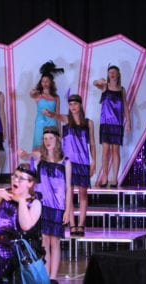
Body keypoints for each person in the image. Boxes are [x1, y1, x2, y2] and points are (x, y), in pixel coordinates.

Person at [20, 126, 71, 282]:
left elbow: (69, 187)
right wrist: (24, 154)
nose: (48, 141)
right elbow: (28, 156)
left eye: (51, 138)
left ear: (57, 140)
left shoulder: (65, 162)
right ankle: (45, 276)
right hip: (42, 205)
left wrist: (67, 210)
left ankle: (53, 276)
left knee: (55, 241)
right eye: (45, 138)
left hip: (58, 206)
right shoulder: (39, 159)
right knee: (44, 240)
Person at [44, 94, 96, 236]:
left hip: (83, 162)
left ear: (80, 105)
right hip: (69, 163)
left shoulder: (88, 123)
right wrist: (51, 113)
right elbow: (58, 116)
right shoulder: (67, 120)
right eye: (70, 104)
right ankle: (72, 225)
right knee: (69, 194)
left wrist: (94, 161)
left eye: (75, 104)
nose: (73, 107)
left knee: (83, 195)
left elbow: (92, 143)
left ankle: (81, 224)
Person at [93, 65, 131, 187]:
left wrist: (128, 121)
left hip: (117, 123)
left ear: (118, 74)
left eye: (114, 72)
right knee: (105, 151)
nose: (112, 74)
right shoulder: (105, 86)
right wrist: (97, 81)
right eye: (110, 72)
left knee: (116, 150)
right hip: (105, 122)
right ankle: (105, 177)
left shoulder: (122, 90)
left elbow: (125, 106)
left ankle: (114, 178)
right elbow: (96, 83)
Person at [30, 61, 64, 151]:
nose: (44, 83)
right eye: (43, 81)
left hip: (52, 124)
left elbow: (58, 115)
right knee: (39, 148)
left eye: (47, 81)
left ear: (51, 83)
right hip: (40, 124)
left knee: (51, 149)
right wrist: (33, 92)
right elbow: (31, 94)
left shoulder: (56, 97)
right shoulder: (38, 95)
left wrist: (60, 133)